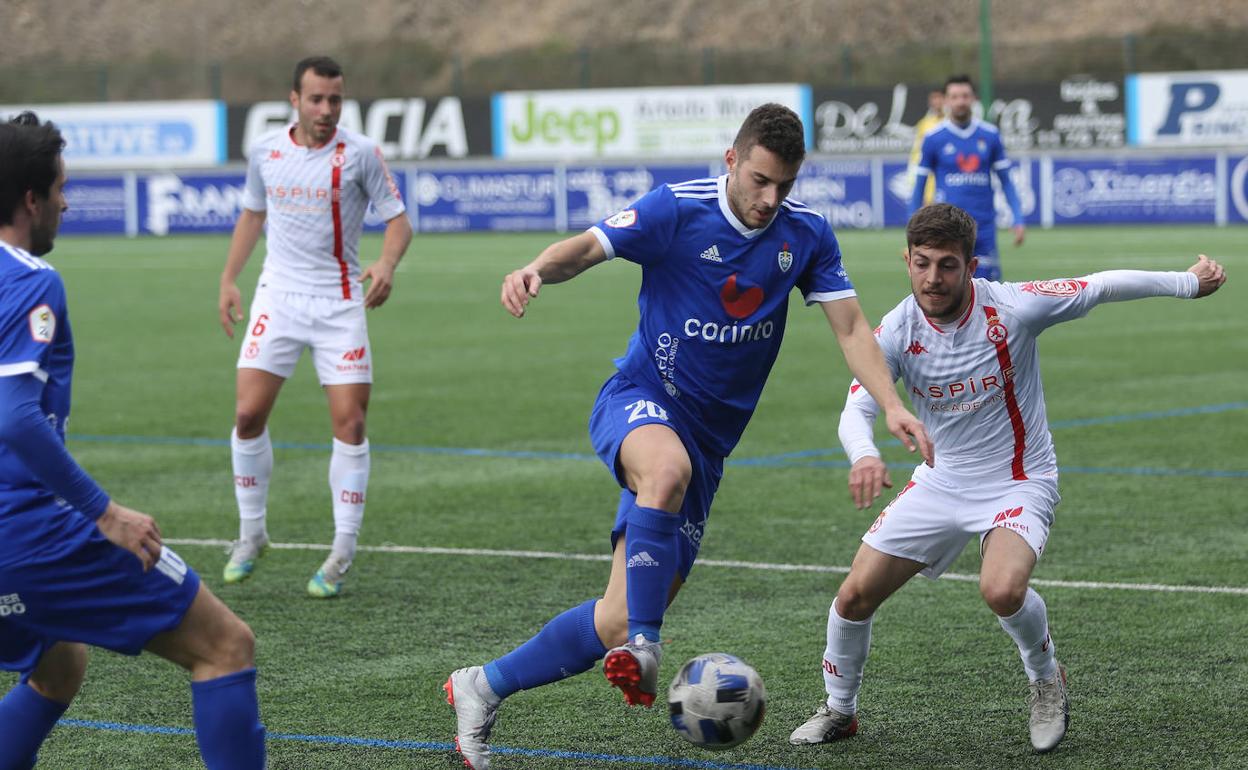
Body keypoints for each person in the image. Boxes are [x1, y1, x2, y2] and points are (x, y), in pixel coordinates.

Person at [444, 103, 933, 770]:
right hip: (639, 400)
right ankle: (646, 649)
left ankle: (483, 685)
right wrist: (536, 269)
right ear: (731, 161)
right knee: (662, 481)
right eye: (760, 180)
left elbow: (851, 329)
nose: (770, 198)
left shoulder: (807, 236)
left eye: (784, 185)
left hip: (709, 448)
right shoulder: (676, 210)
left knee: (614, 616)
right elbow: (588, 246)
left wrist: (892, 405)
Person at [788, 203, 1226, 753]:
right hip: (941, 480)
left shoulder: (1013, 308)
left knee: (1001, 589)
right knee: (853, 597)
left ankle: (1045, 678)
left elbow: (1099, 286)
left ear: (971, 265)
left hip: (1019, 480)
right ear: (907, 259)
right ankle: (840, 709)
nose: (932, 279)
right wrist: (863, 454)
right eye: (921, 263)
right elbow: (857, 408)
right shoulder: (897, 329)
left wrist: (1188, 283)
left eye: (947, 265)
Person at [0, 112, 266, 769]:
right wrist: (106, 512)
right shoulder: (32, 281)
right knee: (225, 645)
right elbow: (13, 415)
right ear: (32, 200)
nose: (66, 200)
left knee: (58, 663)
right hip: (27, 536)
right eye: (60, 187)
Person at [218, 55, 412, 598]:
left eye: (335, 99)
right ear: (295, 100)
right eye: (317, 99)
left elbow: (398, 220)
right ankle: (251, 535)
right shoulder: (266, 152)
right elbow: (252, 214)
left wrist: (387, 264)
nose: (327, 110)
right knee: (247, 414)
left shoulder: (362, 154)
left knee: (349, 425)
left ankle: (342, 551)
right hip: (277, 297)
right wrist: (229, 279)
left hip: (339, 303)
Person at [908, 75, 1024, 281]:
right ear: (945, 100)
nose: (960, 101)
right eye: (954, 96)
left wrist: (1018, 218)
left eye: (965, 96)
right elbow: (919, 185)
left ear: (974, 99)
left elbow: (1006, 180)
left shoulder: (990, 135)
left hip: (984, 227)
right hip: (946, 227)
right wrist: (912, 231)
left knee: (990, 292)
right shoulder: (933, 138)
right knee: (950, 289)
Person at [907, 88, 944, 207]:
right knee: (928, 207)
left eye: (939, 98)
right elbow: (918, 149)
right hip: (929, 172)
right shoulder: (924, 124)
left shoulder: (951, 122)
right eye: (934, 99)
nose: (937, 102)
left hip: (946, 169)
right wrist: (913, 167)